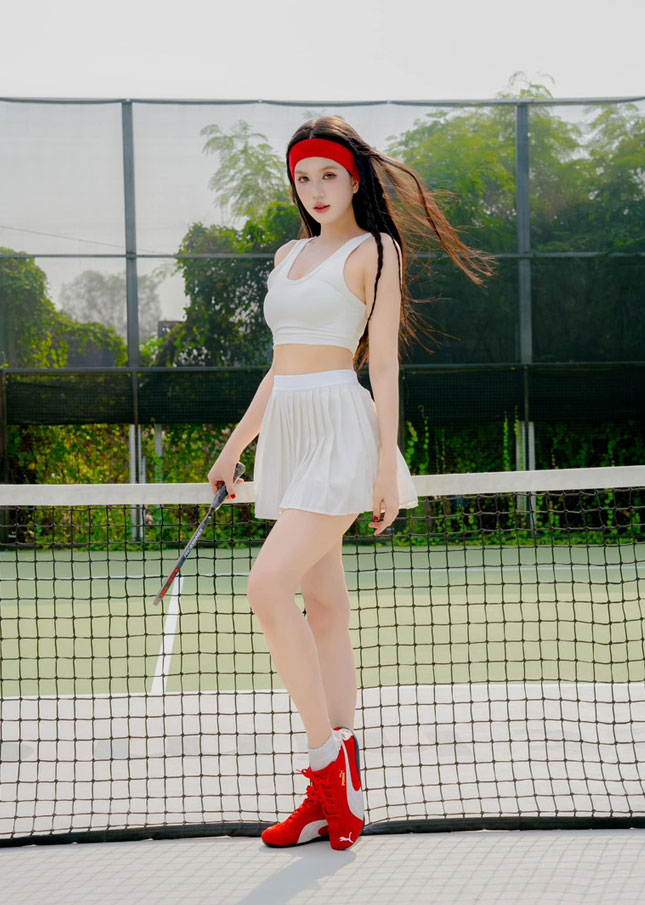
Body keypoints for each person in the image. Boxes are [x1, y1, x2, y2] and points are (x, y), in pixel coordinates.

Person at [206, 116, 495, 850]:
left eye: (328, 174)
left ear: (354, 177)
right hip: (291, 430)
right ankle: (336, 798)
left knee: (266, 586)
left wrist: (384, 462)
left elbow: (385, 363)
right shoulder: (287, 254)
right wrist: (234, 448)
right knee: (326, 608)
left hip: (341, 428)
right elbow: (280, 367)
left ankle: (325, 768)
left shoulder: (376, 250)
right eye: (303, 177)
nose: (315, 188)